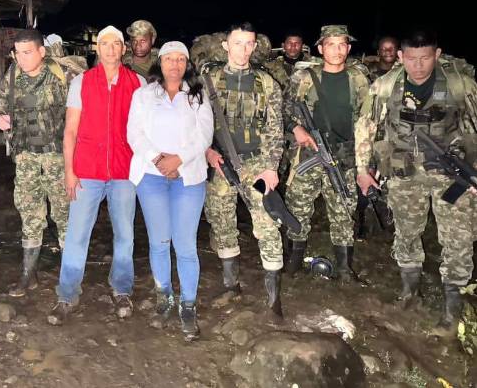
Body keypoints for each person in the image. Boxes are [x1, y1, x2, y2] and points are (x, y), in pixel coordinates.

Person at [355, 30, 477, 337]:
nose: (418, 65)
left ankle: (452, 309)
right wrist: (362, 169)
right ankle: (410, 292)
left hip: (452, 174)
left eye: (425, 58)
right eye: (411, 58)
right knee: (407, 232)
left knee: (458, 237)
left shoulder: (459, 83)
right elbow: (366, 127)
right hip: (404, 172)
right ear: (400, 57)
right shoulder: (385, 86)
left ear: (437, 55)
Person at [48, 25, 145, 325]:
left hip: (123, 171)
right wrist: (69, 171)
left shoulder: (137, 82)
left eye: (116, 44)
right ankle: (67, 294)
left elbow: (144, 129)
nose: (111, 49)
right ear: (97, 49)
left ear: (124, 49)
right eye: (105, 44)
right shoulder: (82, 82)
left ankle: (122, 289)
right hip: (87, 170)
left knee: (125, 234)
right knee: (77, 234)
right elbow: (70, 130)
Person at [127, 41, 213, 340]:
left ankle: (188, 304)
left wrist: (179, 159)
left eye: (180, 59)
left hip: (188, 176)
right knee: (159, 241)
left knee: (185, 244)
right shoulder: (144, 95)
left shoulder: (198, 96)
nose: (174, 65)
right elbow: (134, 133)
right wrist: (159, 159)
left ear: (187, 64)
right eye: (169, 59)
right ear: (159, 63)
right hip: (151, 176)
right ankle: (164, 295)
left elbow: (205, 134)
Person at [202, 22, 286, 321]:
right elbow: (197, 123)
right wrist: (206, 151)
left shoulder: (267, 83)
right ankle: (231, 285)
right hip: (219, 162)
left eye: (249, 43)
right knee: (221, 220)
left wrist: (270, 168)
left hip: (256, 163)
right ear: (226, 45)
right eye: (237, 43)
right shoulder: (208, 79)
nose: (243, 49)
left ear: (255, 46)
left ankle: (274, 299)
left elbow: (275, 131)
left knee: (267, 224)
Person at [0, 30, 76, 297]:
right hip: (26, 157)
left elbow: (81, 112)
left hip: (57, 157)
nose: (22, 58)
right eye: (18, 53)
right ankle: (29, 275)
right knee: (29, 212)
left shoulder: (63, 75)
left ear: (42, 52)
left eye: (28, 52)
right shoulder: (13, 74)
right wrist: (1, 115)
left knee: (63, 214)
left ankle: (70, 276)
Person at [282, 25, 370, 282]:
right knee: (297, 207)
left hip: (343, 157)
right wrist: (296, 127)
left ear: (349, 48)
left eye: (342, 44)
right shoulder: (304, 77)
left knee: (344, 209)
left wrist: (366, 160)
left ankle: (344, 268)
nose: (337, 50)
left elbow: (369, 119)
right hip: (308, 153)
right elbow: (284, 109)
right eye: (330, 44)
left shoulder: (358, 79)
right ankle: (293, 263)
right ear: (320, 48)